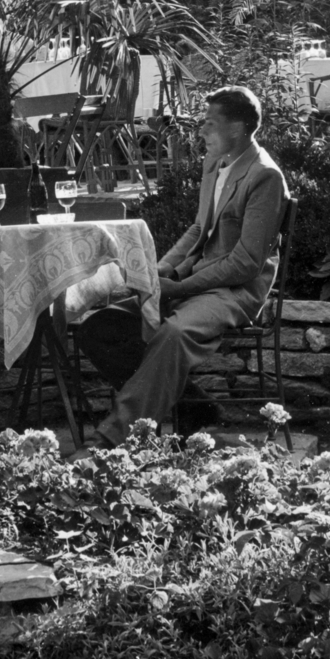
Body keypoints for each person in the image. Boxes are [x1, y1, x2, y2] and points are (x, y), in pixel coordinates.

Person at [75, 85, 288, 446]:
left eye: (209, 123)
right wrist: (158, 272)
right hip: (197, 279)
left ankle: (115, 439)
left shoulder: (264, 176)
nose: (201, 130)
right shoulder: (217, 164)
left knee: (172, 334)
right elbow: (198, 230)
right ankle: (194, 405)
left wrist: (180, 288)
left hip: (235, 290)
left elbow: (247, 262)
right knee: (99, 326)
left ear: (236, 128)